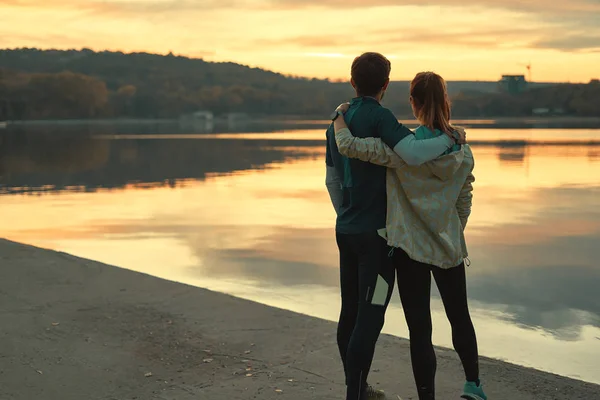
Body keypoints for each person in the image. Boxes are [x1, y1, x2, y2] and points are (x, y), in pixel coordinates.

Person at [331, 71, 487, 400]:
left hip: (409, 250)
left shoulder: (400, 151)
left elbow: (353, 148)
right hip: (447, 247)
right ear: (446, 102)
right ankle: (473, 386)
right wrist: (450, 231)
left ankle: (426, 396)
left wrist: (340, 119)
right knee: (460, 317)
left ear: (412, 103)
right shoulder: (463, 151)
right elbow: (465, 200)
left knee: (420, 330)